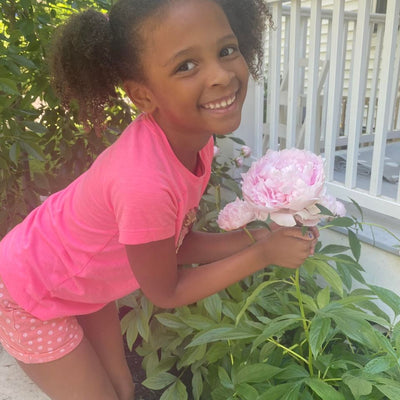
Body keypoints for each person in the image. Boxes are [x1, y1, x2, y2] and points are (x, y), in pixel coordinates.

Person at [0, 0, 318, 399]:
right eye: (186, 65)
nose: (221, 75)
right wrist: (263, 254)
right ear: (141, 95)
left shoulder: (196, 142)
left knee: (121, 387)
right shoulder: (145, 183)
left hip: (78, 277)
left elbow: (173, 245)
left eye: (225, 50)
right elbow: (166, 291)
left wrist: (261, 236)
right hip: (29, 291)